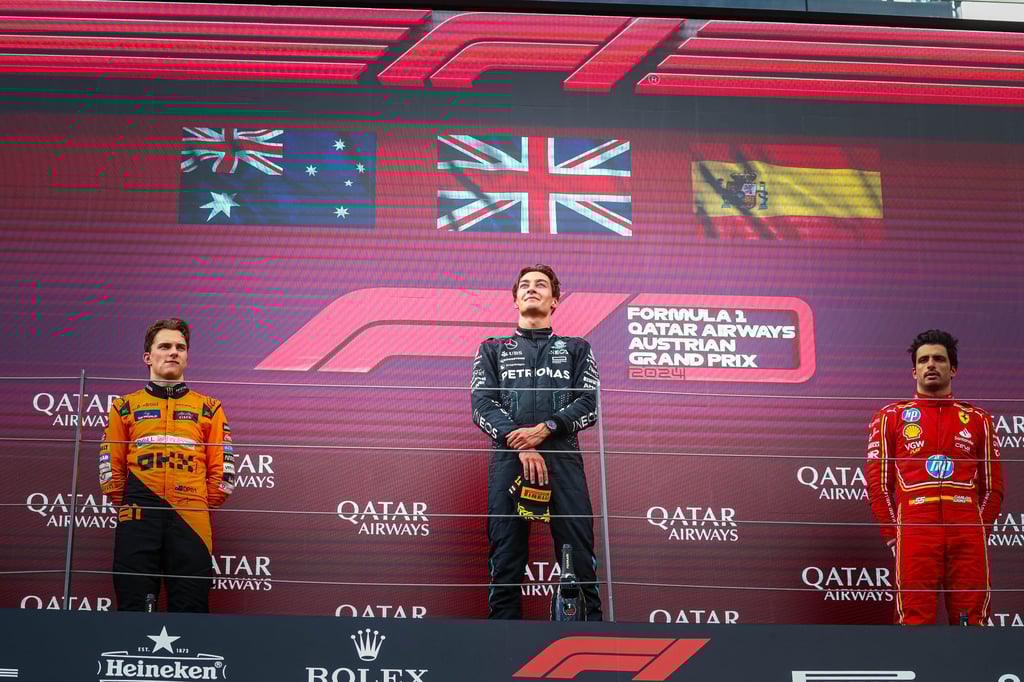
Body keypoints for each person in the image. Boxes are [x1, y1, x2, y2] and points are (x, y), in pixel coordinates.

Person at [471, 265, 603, 620]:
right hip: (510, 458)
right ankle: (501, 650)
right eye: (525, 286)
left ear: (555, 300)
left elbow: (589, 405)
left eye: (541, 285)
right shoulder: (492, 349)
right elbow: (482, 405)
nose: (532, 289)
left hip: (562, 459)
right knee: (506, 560)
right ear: (514, 299)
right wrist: (524, 445)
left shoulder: (577, 348)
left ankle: (589, 643)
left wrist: (544, 429)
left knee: (579, 559)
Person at [866, 329, 1003, 625]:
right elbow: (878, 486)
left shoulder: (979, 419)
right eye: (924, 359)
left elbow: (993, 488)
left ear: (952, 369)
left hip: (966, 527)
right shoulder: (891, 417)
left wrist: (978, 527)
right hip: (915, 527)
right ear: (913, 370)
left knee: (971, 621)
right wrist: (894, 535)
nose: (931, 364)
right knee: (915, 620)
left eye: (939, 359)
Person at [99, 318, 235, 611]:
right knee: (134, 605)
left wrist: (196, 501)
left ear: (187, 357)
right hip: (138, 513)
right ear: (148, 357)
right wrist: (127, 500)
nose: (173, 352)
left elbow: (222, 468)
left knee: (191, 606)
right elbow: (111, 464)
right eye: (165, 346)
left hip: (191, 514)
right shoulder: (124, 406)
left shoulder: (209, 407)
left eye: (180, 347)